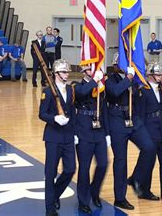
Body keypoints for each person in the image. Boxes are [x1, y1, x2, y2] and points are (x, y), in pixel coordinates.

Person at [106, 53, 156, 210]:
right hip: (116, 120)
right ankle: (119, 198)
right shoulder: (109, 79)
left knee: (149, 147)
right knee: (121, 160)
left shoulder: (134, 78)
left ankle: (135, 178)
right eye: (118, 64)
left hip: (133, 119)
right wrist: (128, 78)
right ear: (115, 66)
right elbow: (114, 92)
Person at [131, 63, 162, 204]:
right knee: (149, 162)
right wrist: (142, 132)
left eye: (161, 75)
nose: (160, 78)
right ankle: (144, 190)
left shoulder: (161, 90)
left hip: (161, 128)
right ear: (150, 75)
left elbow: (161, 110)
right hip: (149, 128)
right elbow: (139, 113)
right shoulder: (143, 90)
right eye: (158, 75)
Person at [39, 59, 76, 216]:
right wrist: (54, 118)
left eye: (67, 72)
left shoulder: (71, 89)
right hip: (53, 136)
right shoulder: (48, 92)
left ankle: (54, 195)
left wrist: (75, 133)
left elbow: (72, 112)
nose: (66, 74)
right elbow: (42, 113)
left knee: (70, 169)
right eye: (63, 72)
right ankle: (50, 208)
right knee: (50, 172)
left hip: (68, 136)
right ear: (56, 74)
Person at [73, 66, 108, 213]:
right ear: (84, 72)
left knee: (103, 163)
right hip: (83, 129)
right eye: (90, 69)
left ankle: (94, 191)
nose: (93, 72)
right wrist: (94, 80)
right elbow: (82, 93)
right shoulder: (76, 85)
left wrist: (107, 134)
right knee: (84, 167)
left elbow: (104, 110)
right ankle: (83, 200)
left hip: (98, 129)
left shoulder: (100, 87)